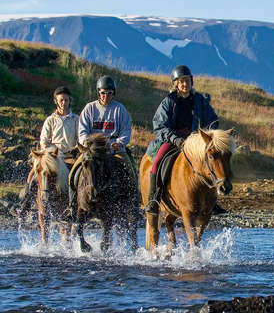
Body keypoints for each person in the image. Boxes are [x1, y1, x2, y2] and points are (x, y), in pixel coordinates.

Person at [143, 65, 221, 216]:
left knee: (212, 162)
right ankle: (154, 199)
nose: (185, 84)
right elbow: (159, 125)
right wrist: (175, 139)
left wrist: (204, 136)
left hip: (195, 142)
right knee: (157, 164)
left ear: (192, 82)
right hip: (173, 140)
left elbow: (213, 120)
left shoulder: (200, 100)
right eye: (181, 81)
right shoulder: (168, 101)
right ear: (176, 84)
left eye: (187, 81)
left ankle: (214, 201)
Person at [60, 75, 137, 223]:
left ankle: (134, 205)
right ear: (98, 93)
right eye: (103, 92)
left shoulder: (120, 109)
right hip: (92, 151)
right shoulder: (89, 109)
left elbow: (126, 131)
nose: (106, 96)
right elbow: (82, 132)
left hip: (113, 150)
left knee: (131, 170)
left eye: (109, 93)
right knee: (73, 174)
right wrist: (89, 144)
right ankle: (71, 207)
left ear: (113, 93)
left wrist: (120, 143)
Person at [12, 86, 79, 218]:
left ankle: (75, 207)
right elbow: (43, 140)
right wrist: (49, 152)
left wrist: (76, 148)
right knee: (32, 176)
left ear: (69, 101)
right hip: (52, 156)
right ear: (56, 101)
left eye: (66, 100)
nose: (64, 103)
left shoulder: (76, 119)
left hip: (70, 156)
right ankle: (24, 205)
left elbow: (80, 138)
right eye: (61, 100)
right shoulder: (51, 120)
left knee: (78, 178)